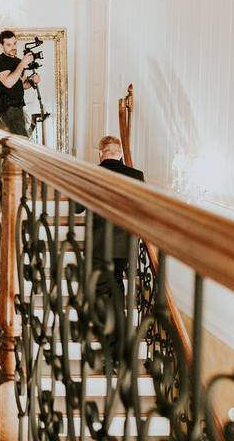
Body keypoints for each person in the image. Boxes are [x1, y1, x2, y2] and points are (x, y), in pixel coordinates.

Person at [89, 136, 145, 359]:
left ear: (101, 153)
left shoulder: (92, 172)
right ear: (120, 153)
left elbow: (77, 209)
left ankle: (114, 346)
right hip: (125, 245)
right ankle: (119, 342)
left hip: (101, 245)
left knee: (102, 292)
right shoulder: (136, 175)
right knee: (116, 288)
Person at [0, 30, 40, 136]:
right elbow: (9, 83)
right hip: (7, 108)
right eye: (8, 44)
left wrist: (32, 81)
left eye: (14, 43)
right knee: (22, 141)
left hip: (19, 106)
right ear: (1, 46)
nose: (13, 47)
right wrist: (23, 63)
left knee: (16, 141)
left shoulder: (18, 61)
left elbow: (23, 85)